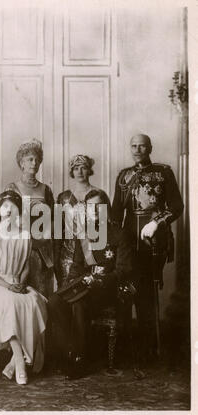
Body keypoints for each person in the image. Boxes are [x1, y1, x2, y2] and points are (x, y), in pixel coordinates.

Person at [111, 133, 184, 362]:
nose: (138, 150)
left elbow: (177, 206)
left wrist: (157, 222)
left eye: (142, 146)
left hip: (153, 242)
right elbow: (115, 214)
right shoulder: (124, 176)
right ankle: (125, 350)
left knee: (145, 295)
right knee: (124, 292)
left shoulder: (163, 172)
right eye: (134, 146)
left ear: (150, 148)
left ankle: (148, 350)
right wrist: (116, 243)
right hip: (128, 243)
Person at [48, 189, 133, 379]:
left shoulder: (119, 233)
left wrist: (99, 280)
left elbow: (123, 271)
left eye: (98, 206)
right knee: (54, 301)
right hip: (84, 286)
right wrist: (71, 281)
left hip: (108, 290)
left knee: (79, 303)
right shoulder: (85, 234)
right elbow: (77, 266)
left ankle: (81, 360)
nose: (94, 211)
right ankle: (67, 353)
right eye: (90, 207)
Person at [0, 190, 47, 385]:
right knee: (10, 303)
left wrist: (20, 283)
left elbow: (25, 268)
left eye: (12, 207)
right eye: (4, 207)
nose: (8, 211)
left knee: (35, 301)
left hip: (16, 283)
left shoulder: (24, 236)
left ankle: (13, 362)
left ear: (18, 212)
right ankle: (20, 361)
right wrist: (8, 286)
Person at [4, 139, 54, 298]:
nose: (35, 163)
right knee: (21, 293)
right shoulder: (12, 188)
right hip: (19, 249)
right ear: (21, 163)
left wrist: (43, 239)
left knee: (42, 294)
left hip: (42, 249)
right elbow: (6, 221)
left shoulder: (46, 189)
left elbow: (53, 219)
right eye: (30, 159)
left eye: (37, 159)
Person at [54, 154, 111, 288]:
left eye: (83, 168)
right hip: (68, 256)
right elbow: (57, 232)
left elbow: (108, 228)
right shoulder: (63, 197)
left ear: (89, 170)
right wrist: (56, 260)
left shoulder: (99, 195)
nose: (79, 172)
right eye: (76, 168)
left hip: (94, 254)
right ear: (72, 172)